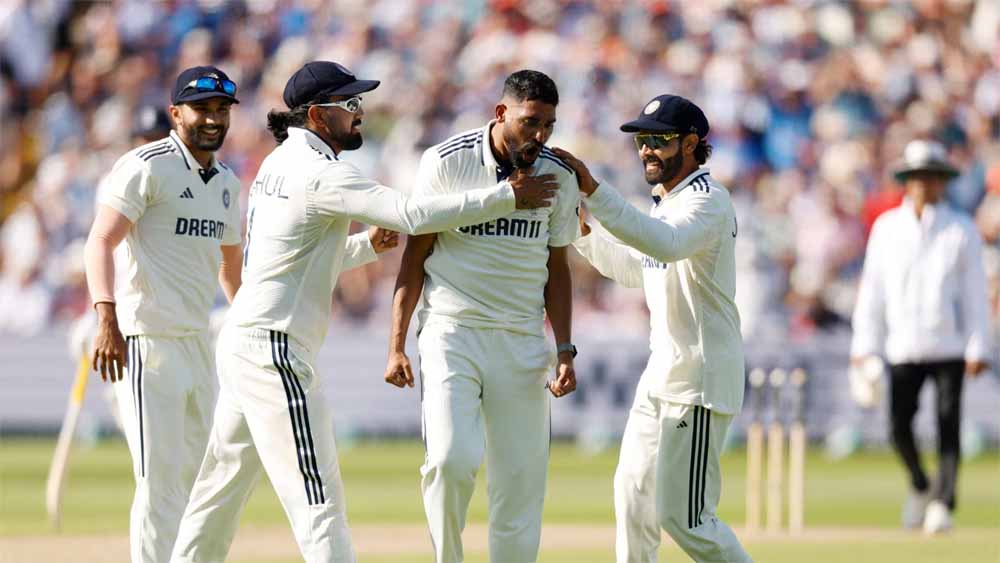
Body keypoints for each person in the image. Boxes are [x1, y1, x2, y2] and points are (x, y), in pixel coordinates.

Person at [169, 61, 559, 563]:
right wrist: (506, 196)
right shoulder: (320, 171)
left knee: (216, 497)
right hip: (274, 351)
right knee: (319, 502)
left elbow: (295, 261)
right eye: (350, 104)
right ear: (317, 115)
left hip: (246, 341)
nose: (360, 113)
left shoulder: (277, 162)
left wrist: (365, 247)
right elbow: (413, 215)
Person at [383, 69, 579, 563]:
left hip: (521, 337)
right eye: (531, 122)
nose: (540, 136)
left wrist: (564, 349)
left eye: (549, 125)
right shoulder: (447, 161)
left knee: (520, 483)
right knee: (451, 460)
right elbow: (415, 254)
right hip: (453, 330)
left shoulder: (557, 175)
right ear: (501, 113)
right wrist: (396, 344)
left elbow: (557, 268)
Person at [550, 94, 752, 563]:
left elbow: (668, 245)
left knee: (687, 518)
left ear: (691, 144)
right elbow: (639, 269)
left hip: (698, 381)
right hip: (662, 374)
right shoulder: (666, 203)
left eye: (659, 140)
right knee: (633, 495)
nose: (646, 150)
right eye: (642, 140)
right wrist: (582, 233)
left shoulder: (708, 200)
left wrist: (595, 190)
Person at [83, 65, 244, 562]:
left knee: (203, 482)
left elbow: (231, 268)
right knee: (158, 483)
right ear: (176, 114)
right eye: (202, 109)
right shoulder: (145, 165)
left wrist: (250, 325)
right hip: (146, 343)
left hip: (197, 345)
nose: (213, 119)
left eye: (221, 110)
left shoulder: (227, 182)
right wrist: (106, 319)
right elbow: (100, 241)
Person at [850, 139, 991, 535]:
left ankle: (943, 502)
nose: (924, 185)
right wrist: (864, 345)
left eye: (931, 177)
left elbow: (975, 294)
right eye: (917, 177)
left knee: (948, 424)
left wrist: (978, 345)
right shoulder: (887, 228)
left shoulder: (960, 228)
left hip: (948, 344)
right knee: (898, 428)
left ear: (942, 181)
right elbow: (872, 290)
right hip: (903, 345)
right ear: (907, 182)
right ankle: (920, 484)